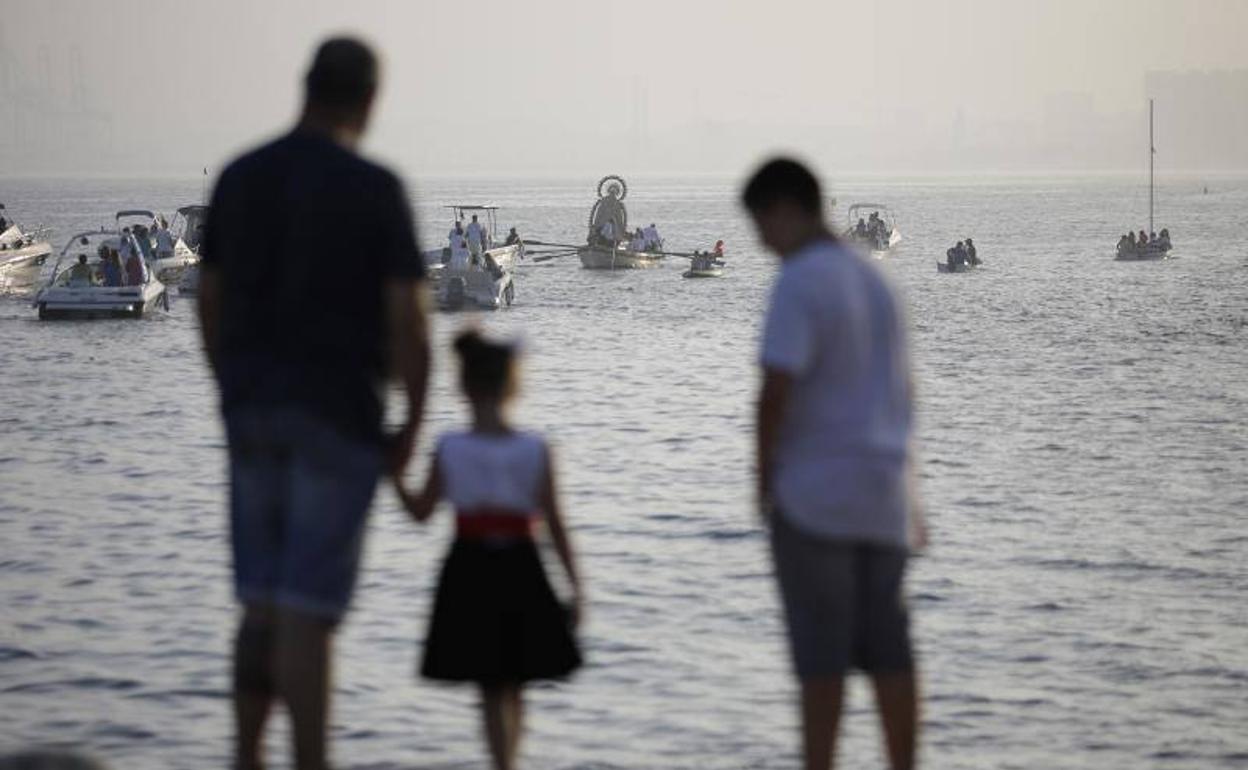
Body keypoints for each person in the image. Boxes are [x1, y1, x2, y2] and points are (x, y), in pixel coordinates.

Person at [196, 38, 431, 770]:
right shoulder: (374, 187)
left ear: (304, 87)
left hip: (252, 410)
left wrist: (230, 389)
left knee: (259, 602)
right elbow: (409, 319)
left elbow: (208, 299)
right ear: (368, 102)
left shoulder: (240, 176)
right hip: (338, 413)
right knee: (309, 613)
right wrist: (410, 426)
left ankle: (246, 755)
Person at [743, 158, 922, 770]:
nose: (761, 241)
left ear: (786, 208)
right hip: (885, 495)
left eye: (761, 223)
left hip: (817, 497)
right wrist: (912, 496)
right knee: (890, 652)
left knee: (822, 662)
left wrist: (763, 483)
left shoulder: (800, 279)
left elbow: (775, 391)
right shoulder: (876, 280)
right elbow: (904, 395)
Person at [398, 330, 582, 770]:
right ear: (513, 385)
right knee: (514, 683)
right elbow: (555, 524)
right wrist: (576, 586)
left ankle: (502, 763)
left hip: (471, 566)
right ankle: (508, 762)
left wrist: (391, 476)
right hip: (522, 565)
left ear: (463, 386)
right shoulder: (535, 448)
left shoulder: (450, 447)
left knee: (489, 685)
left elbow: (421, 513)